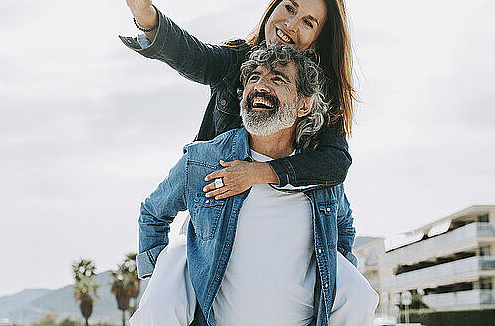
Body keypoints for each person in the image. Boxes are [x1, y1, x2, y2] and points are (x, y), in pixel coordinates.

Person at [131, 45, 377, 326]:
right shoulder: (204, 162)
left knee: (361, 295)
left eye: (277, 78)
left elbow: (344, 227)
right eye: (254, 77)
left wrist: (334, 276)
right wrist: (157, 282)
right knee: (175, 261)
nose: (260, 85)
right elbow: (153, 214)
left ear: (304, 104)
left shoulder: (320, 177)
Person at [118, 0, 356, 198]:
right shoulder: (235, 60)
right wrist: (145, 16)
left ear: (316, 43)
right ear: (273, 8)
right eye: (289, 8)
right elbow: (193, 55)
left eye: (308, 22)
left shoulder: (317, 95)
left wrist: (258, 173)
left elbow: (335, 162)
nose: (291, 24)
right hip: (218, 213)